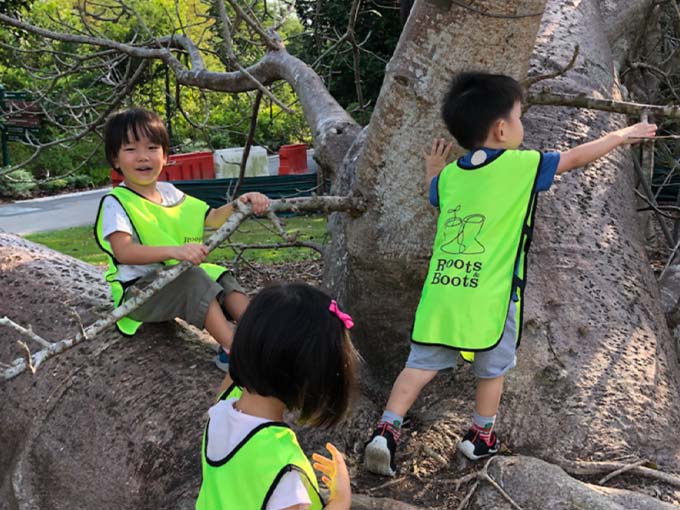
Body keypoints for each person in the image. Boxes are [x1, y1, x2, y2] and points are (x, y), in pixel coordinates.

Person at [364, 72, 657, 475]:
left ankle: (386, 431)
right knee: (493, 368)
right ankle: (480, 438)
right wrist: (622, 135)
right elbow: (574, 158)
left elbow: (434, 193)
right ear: (502, 129)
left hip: (444, 292)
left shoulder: (451, 176)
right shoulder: (522, 165)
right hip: (493, 295)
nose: (522, 126)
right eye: (520, 117)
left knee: (419, 366)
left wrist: (432, 166)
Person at [94, 108, 269, 371]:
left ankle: (264, 336)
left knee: (220, 275)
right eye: (130, 149)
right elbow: (124, 252)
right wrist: (176, 251)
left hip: (173, 278)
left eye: (152, 147)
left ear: (165, 155)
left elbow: (212, 218)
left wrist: (241, 203)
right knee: (194, 278)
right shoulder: (116, 203)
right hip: (139, 294)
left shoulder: (170, 193)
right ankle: (235, 351)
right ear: (115, 160)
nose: (143, 157)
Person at [195, 282, 358, 510]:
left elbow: (238, 372)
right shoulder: (283, 471)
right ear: (309, 381)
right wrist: (341, 500)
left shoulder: (220, 407)